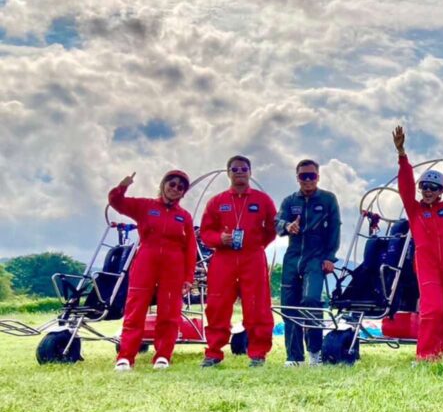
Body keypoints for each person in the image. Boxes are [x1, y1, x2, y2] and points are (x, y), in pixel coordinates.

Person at [392, 125, 443, 361]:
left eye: (433, 188)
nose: (428, 191)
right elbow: (405, 186)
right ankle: (425, 355)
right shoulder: (414, 210)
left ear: (440, 192)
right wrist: (402, 155)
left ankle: (442, 354)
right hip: (426, 265)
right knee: (432, 309)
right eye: (424, 187)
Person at [108, 170, 197, 371]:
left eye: (180, 187)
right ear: (164, 184)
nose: (175, 189)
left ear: (184, 193)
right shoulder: (145, 206)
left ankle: (163, 356)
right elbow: (116, 202)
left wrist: (188, 277)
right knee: (135, 308)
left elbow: (191, 248)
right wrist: (122, 186)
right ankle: (125, 357)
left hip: (174, 264)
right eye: (172, 184)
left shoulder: (184, 217)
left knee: (170, 311)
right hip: (146, 259)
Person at [199, 155, 278, 368]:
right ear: (228, 173)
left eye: (244, 169)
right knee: (217, 306)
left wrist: (256, 244)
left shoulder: (263, 200)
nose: (239, 172)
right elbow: (205, 232)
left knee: (258, 306)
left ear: (250, 172)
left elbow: (272, 229)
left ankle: (258, 354)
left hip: (252, 258)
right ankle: (213, 353)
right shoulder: (217, 201)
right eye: (235, 169)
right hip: (223, 259)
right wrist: (219, 240)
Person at [275, 159, 341, 367]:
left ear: (318, 177)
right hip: (293, 255)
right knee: (288, 305)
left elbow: (335, 230)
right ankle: (294, 357)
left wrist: (330, 257)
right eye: (303, 176)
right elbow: (277, 223)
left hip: (316, 256)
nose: (308, 180)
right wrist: (287, 226)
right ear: (297, 178)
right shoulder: (288, 201)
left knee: (312, 301)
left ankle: (314, 351)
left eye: (311, 175)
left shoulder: (328, 199)